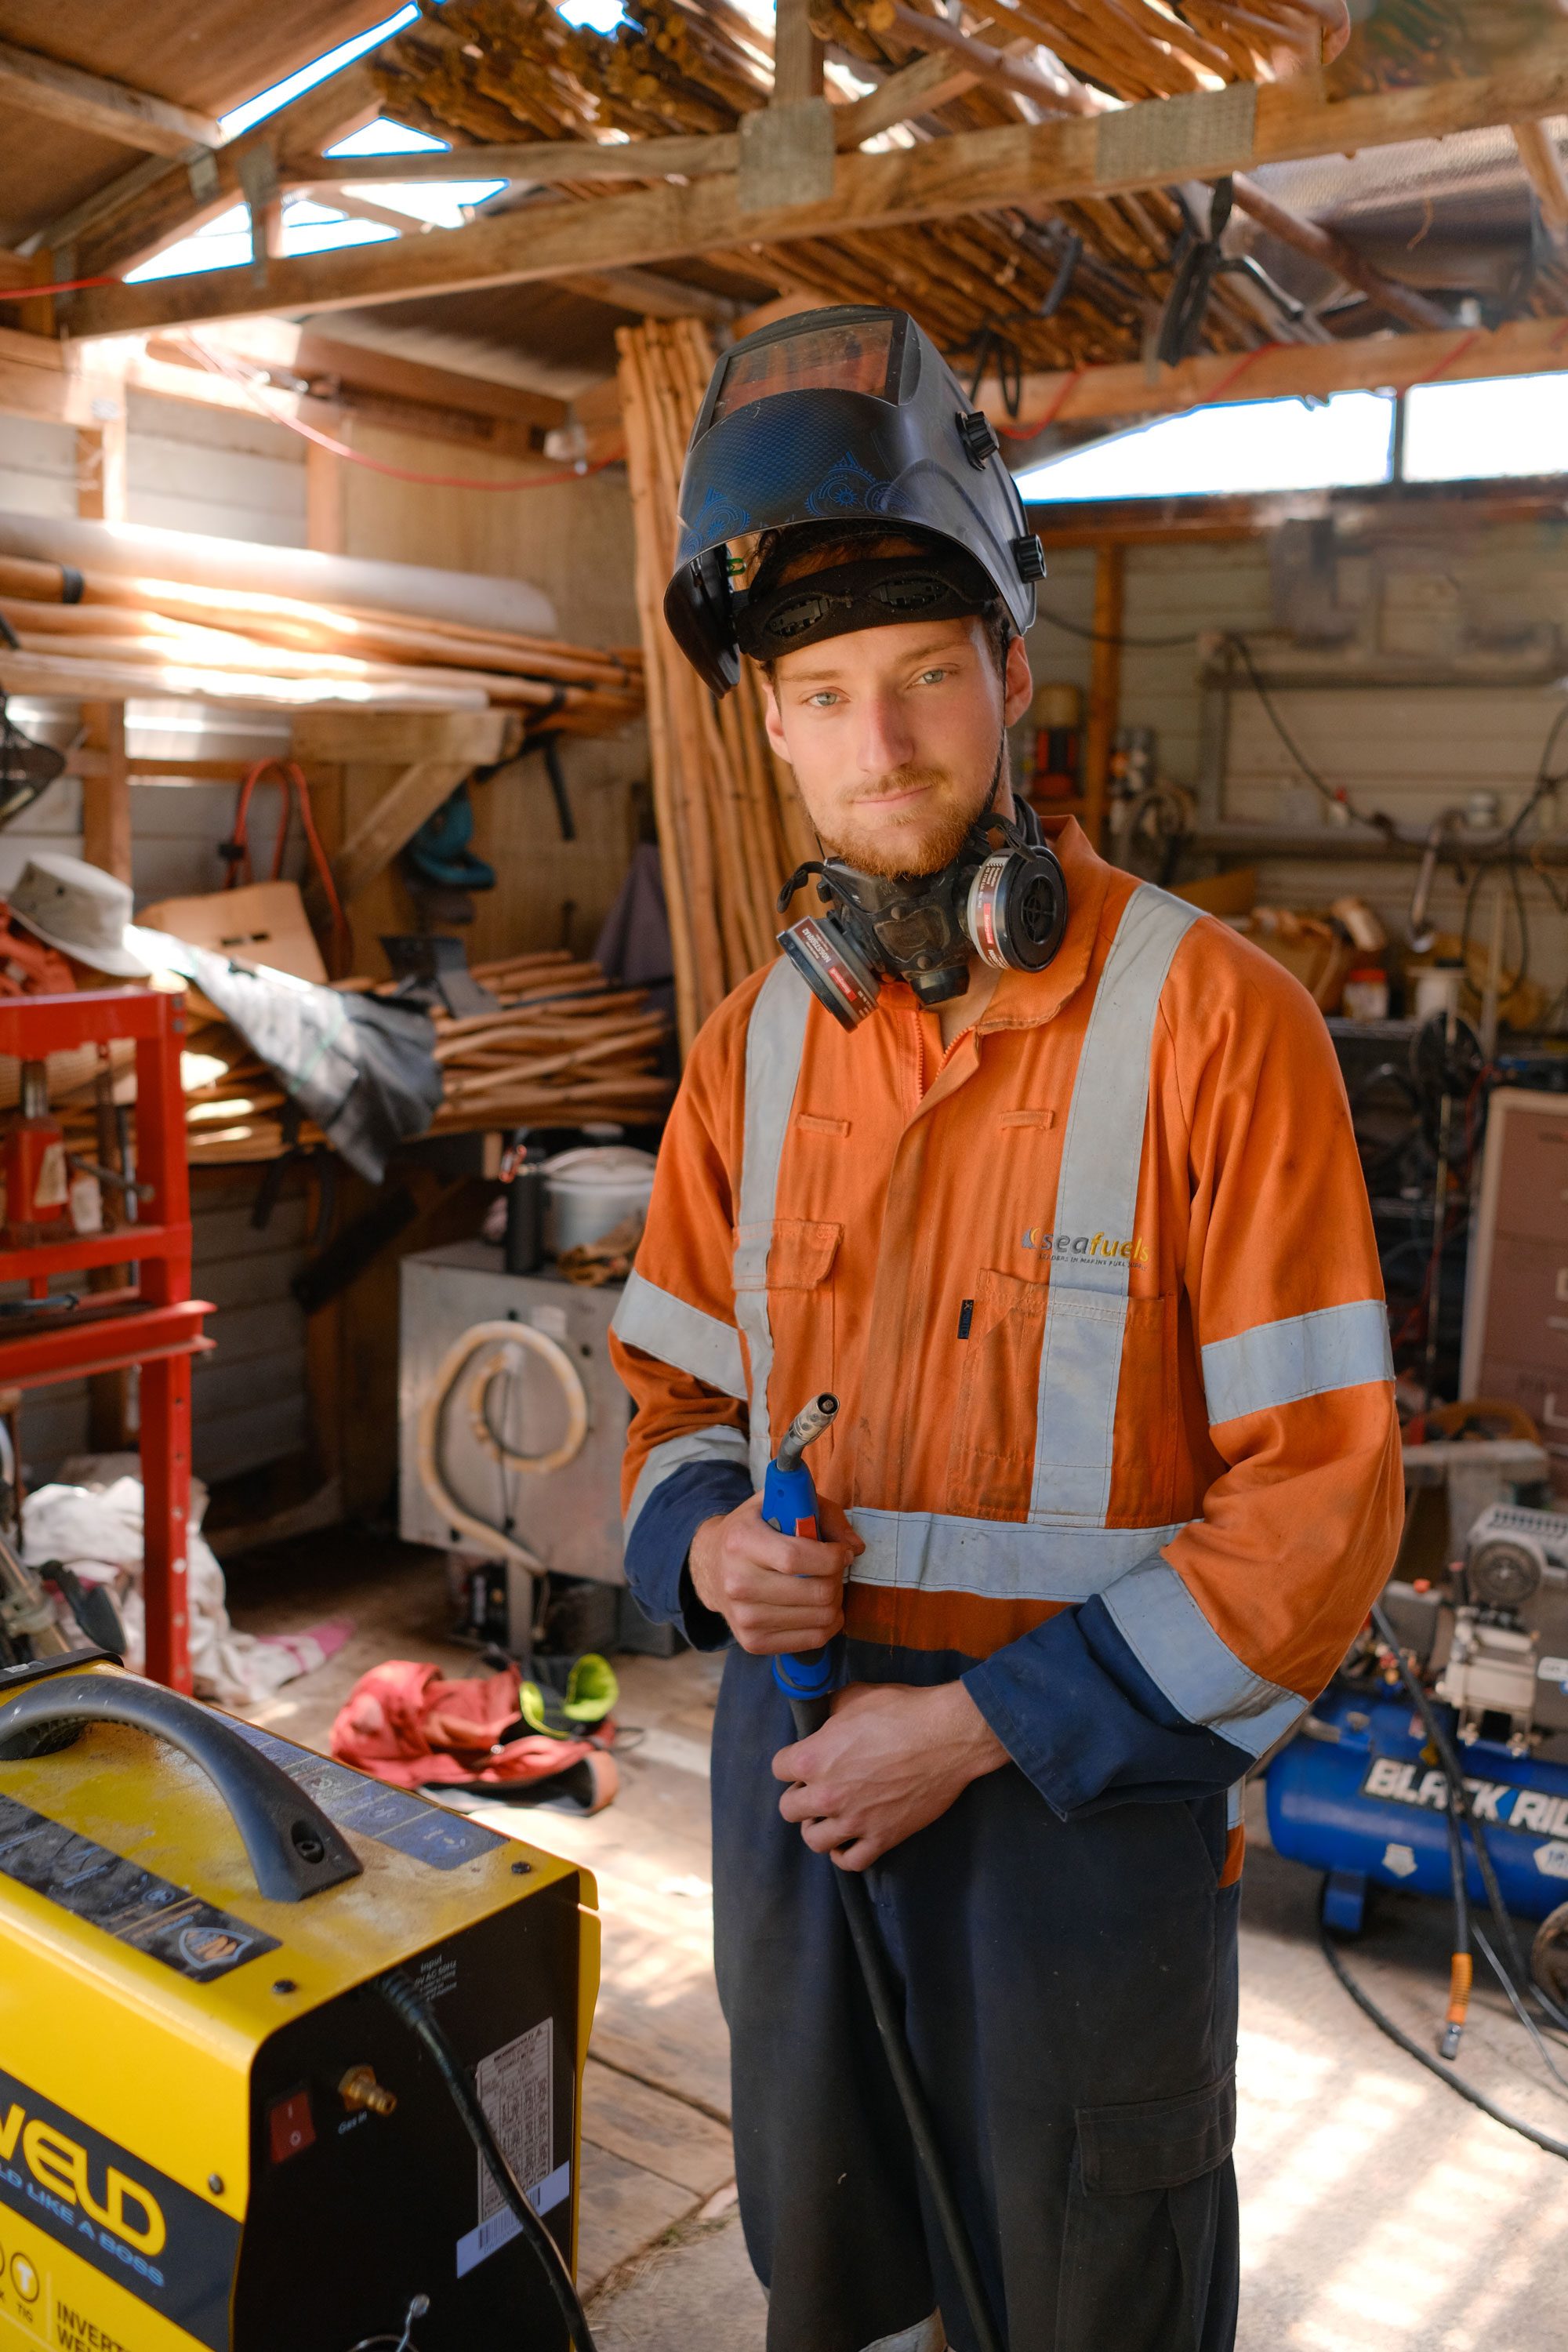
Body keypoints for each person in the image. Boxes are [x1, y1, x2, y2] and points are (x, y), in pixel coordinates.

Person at [608, 306, 1403, 2352]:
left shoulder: (1220, 1029)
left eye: (927, 680)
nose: (884, 745)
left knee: (1089, 2303)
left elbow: (1322, 1512)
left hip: (1077, 1853)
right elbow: (673, 1397)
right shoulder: (748, 1054)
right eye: (830, 695)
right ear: (769, 731)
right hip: (802, 1832)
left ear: (1015, 680)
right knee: (834, 2284)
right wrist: (704, 1545)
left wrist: (971, 1731)